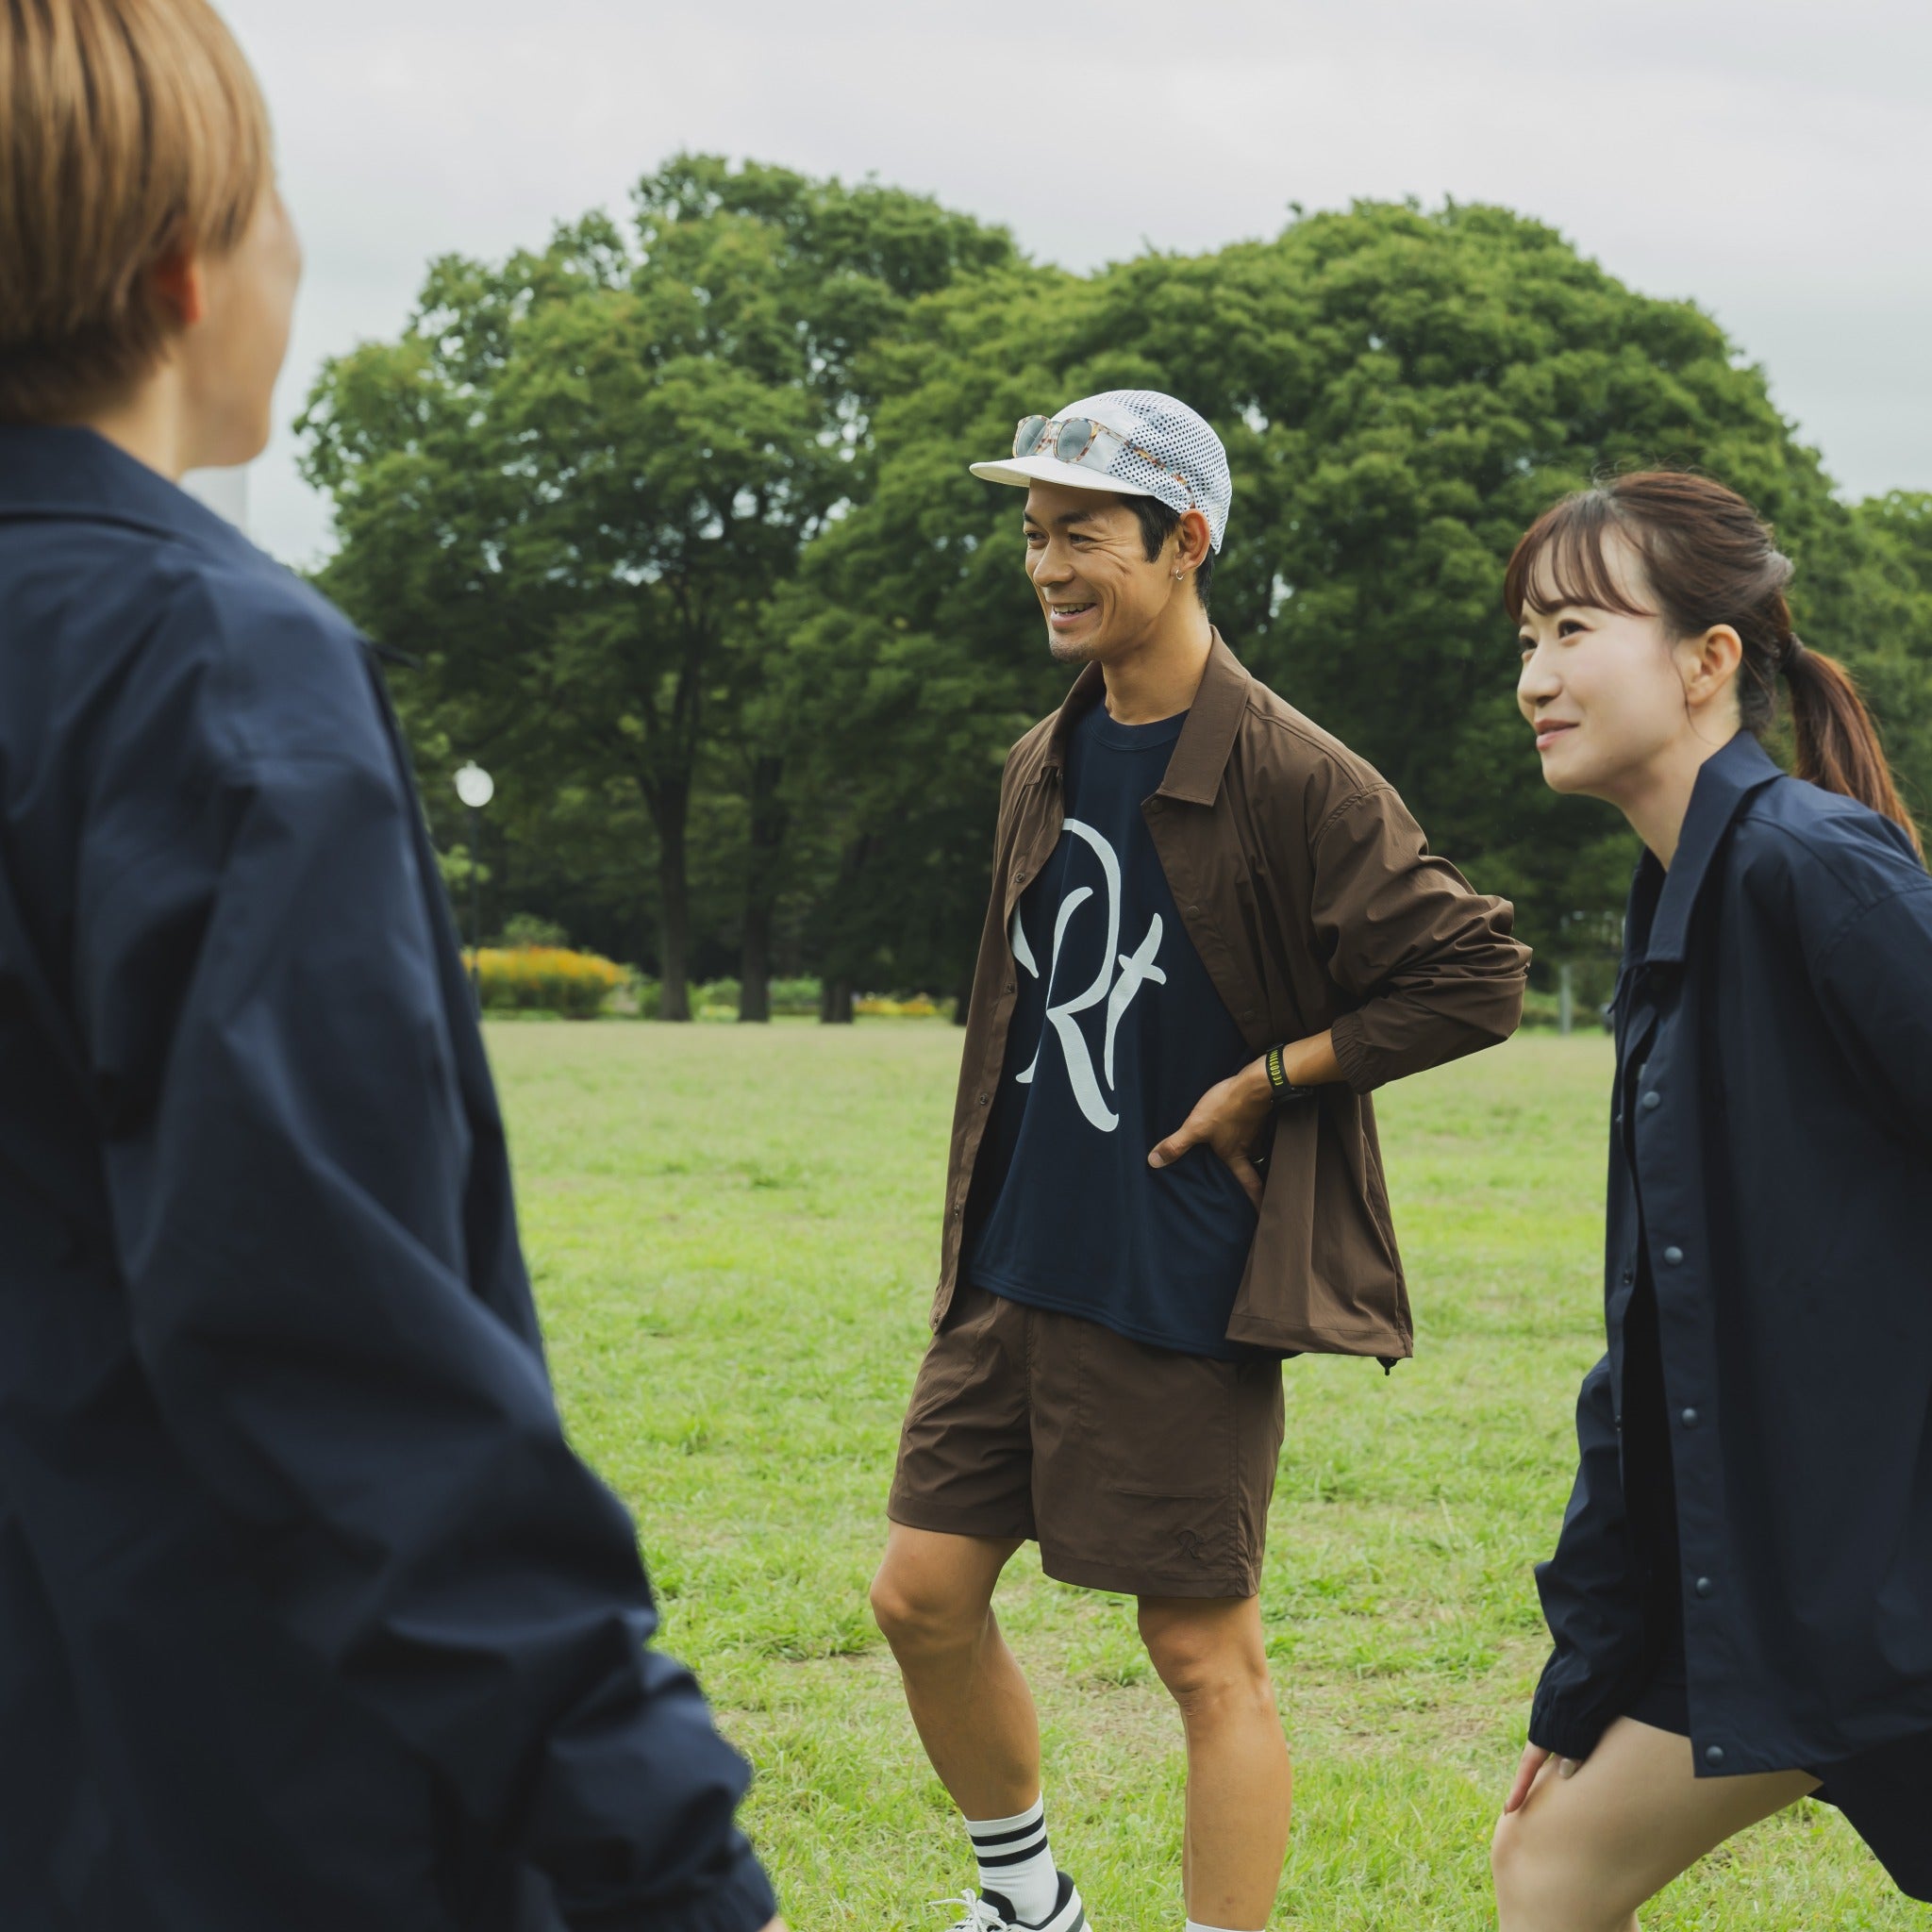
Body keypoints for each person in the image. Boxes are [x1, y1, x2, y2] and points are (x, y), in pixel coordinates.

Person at [0, 6, 780, 1929]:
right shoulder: (203, 666)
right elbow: (324, 1347)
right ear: (186, 267)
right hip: (219, 1808)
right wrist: (662, 1843)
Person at [868, 390, 1530, 1932]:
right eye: (1035, 537)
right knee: (920, 1598)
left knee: (1202, 1657)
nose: (1048, 565)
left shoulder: (1295, 772)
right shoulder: (1045, 754)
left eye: (1084, 534)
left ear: (1187, 542)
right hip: (1017, 1258)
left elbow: (1472, 973)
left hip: (1177, 1271)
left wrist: (1267, 1081)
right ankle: (1027, 1901)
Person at [1492, 471, 1932, 1925]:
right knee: (1551, 1867)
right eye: (1525, 640)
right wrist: (1588, 1674)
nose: (1535, 678)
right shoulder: (1682, 899)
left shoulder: (1813, 869)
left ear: (1708, 660)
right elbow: (1657, 1337)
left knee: (1552, 1874)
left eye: (1572, 629)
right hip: (1797, 1586)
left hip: (1884, 1588)